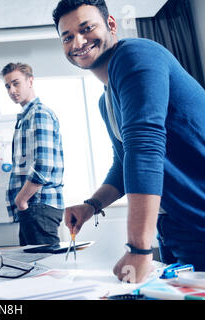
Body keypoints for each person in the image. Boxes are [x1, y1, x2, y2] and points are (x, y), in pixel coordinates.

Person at [53, 0, 205, 283]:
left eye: (87, 28)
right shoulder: (105, 99)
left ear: (111, 25)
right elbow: (124, 161)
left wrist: (138, 247)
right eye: (68, 37)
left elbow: (144, 146)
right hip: (175, 224)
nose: (79, 41)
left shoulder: (134, 55)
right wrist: (91, 205)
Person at [0, 62, 64, 246]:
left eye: (16, 83)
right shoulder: (26, 117)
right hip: (32, 206)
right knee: (33, 271)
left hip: (38, 205)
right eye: (7, 86)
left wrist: (21, 200)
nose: (12, 90)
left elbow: (43, 164)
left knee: (46, 271)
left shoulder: (39, 114)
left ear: (30, 81)